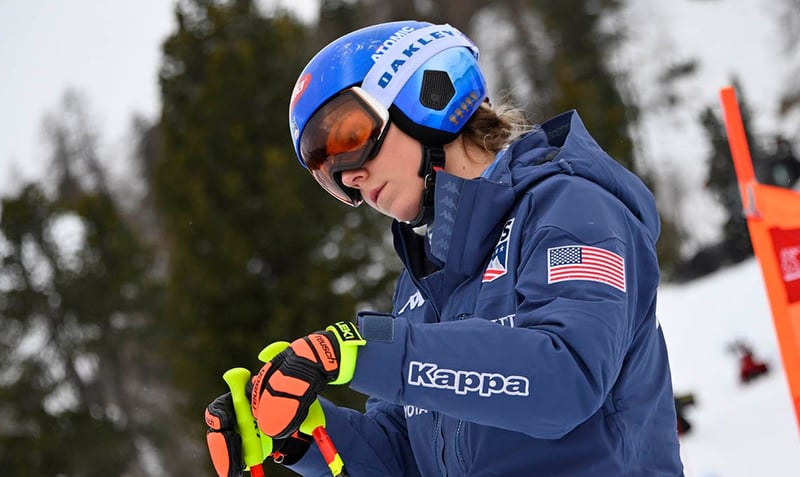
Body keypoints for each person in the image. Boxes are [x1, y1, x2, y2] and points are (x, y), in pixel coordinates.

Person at [205, 20, 684, 476]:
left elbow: (568, 376)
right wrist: (303, 435)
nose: (347, 175)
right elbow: (408, 458)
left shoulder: (571, 210)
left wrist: (362, 353)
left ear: (428, 95)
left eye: (348, 137)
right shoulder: (422, 282)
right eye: (325, 170)